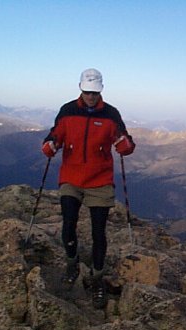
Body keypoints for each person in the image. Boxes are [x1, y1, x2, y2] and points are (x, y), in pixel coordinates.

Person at [42, 68, 135, 309]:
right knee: (69, 223)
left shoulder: (111, 114)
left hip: (100, 180)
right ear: (80, 88)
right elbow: (55, 136)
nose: (91, 96)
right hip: (71, 177)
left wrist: (126, 145)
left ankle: (96, 278)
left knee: (98, 232)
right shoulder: (67, 111)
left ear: (100, 90)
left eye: (94, 92)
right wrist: (50, 145)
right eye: (87, 92)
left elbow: (123, 140)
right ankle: (72, 263)